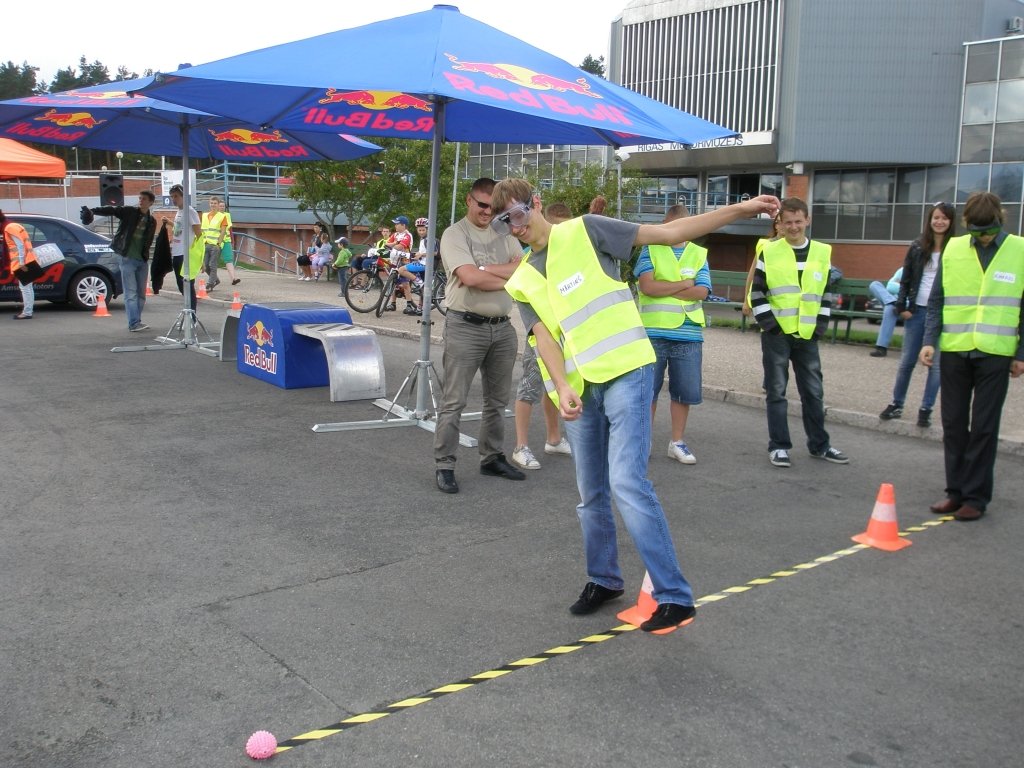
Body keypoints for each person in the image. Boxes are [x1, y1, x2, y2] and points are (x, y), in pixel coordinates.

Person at [493, 176, 779, 633]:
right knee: (591, 496)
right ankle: (603, 579)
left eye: (519, 214)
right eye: (504, 221)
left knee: (627, 481)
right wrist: (564, 385)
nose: (515, 226)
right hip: (580, 390)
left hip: (627, 369)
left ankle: (674, 596)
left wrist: (739, 211)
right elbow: (542, 334)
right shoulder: (523, 275)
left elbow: (669, 234)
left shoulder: (587, 230)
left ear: (537, 204)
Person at [919, 192, 1024, 522]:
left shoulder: (1019, 250)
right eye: (977, 232)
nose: (983, 238)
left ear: (1000, 221)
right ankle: (955, 491)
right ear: (967, 225)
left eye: (988, 231)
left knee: (983, 426)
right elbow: (936, 300)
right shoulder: (952, 249)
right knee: (953, 424)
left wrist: (1021, 353)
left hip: (996, 352)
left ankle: (976, 498)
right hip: (955, 349)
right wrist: (929, 341)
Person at [433, 178, 526, 494]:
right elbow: (470, 277)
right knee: (454, 400)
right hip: (465, 326)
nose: (489, 212)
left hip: (502, 327)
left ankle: (492, 457)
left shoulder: (504, 233)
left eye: (494, 207)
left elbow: (526, 269)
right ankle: (445, 464)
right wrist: (502, 273)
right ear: (469, 201)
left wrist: (486, 271)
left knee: (497, 401)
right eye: (483, 204)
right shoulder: (454, 234)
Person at [749, 197, 849, 468]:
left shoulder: (821, 252)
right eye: (788, 222)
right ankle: (779, 446)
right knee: (777, 391)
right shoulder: (769, 251)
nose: (794, 227)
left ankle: (820, 445)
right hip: (776, 335)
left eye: (798, 221)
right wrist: (772, 326)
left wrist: (820, 327)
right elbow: (757, 292)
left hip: (808, 334)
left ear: (807, 220)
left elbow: (826, 293)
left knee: (814, 392)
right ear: (780, 223)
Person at [635, 204, 710, 465]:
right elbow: (647, 286)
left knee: (684, 393)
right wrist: (683, 285)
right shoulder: (650, 249)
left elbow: (702, 292)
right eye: (670, 227)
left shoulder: (699, 254)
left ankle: (677, 442)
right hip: (653, 332)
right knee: (647, 392)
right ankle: (643, 443)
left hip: (688, 335)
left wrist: (664, 287)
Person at [878, 202, 954, 426]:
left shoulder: (956, 248)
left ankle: (926, 408)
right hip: (918, 310)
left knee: (937, 365)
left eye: (944, 218)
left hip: (943, 313)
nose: (939, 222)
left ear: (951, 222)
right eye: (936, 217)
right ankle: (897, 403)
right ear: (930, 220)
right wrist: (902, 307)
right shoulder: (918, 246)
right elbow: (906, 278)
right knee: (907, 362)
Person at [510, 202, 573, 471]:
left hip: (567, 331)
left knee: (556, 385)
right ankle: (520, 446)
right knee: (530, 387)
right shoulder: (532, 255)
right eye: (557, 227)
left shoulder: (569, 250)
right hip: (540, 331)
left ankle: (554, 438)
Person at [88, 191, 157, 332]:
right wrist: (92, 211)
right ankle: (134, 323)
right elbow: (112, 210)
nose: (141, 201)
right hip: (126, 257)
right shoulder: (130, 212)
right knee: (130, 292)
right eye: (140, 198)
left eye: (144, 199)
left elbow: (148, 242)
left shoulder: (152, 221)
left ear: (151, 203)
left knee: (141, 294)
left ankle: (137, 321)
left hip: (142, 260)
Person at [163, 184, 201, 312]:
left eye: (176, 196)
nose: (174, 199)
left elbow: (199, 234)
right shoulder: (179, 212)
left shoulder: (190, 211)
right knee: (181, 286)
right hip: (177, 252)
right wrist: (169, 223)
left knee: (188, 286)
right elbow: (179, 229)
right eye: (172, 196)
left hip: (186, 254)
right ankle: (188, 311)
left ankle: (192, 316)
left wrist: (199, 257)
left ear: (183, 196)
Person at [2, 209, 37, 319]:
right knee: (28, 287)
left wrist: (22, 263)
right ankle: (28, 311)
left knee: (25, 288)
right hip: (28, 259)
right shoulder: (14, 225)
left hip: (22, 263)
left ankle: (27, 312)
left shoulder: (9, 228)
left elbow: (20, 245)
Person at [867, 267, 904, 357]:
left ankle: (881, 348)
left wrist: (899, 287)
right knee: (874, 284)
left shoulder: (921, 274)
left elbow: (914, 292)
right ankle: (892, 302)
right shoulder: (903, 270)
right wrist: (904, 288)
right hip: (892, 300)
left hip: (905, 307)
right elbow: (890, 287)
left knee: (890, 308)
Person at [200, 196, 228, 291]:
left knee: (213, 265)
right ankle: (216, 279)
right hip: (206, 243)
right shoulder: (204, 215)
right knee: (206, 265)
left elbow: (223, 231)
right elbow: (202, 230)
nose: (213, 205)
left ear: (218, 204)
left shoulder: (222, 216)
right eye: (211, 203)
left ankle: (210, 283)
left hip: (215, 245)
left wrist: (219, 244)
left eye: (215, 203)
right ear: (209, 204)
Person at [218, 198, 240, 286]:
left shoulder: (227, 215)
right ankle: (213, 279)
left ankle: (233, 278)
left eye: (223, 206)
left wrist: (232, 240)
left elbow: (230, 229)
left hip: (226, 240)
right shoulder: (214, 216)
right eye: (220, 206)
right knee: (212, 261)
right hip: (216, 241)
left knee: (229, 260)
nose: (222, 207)